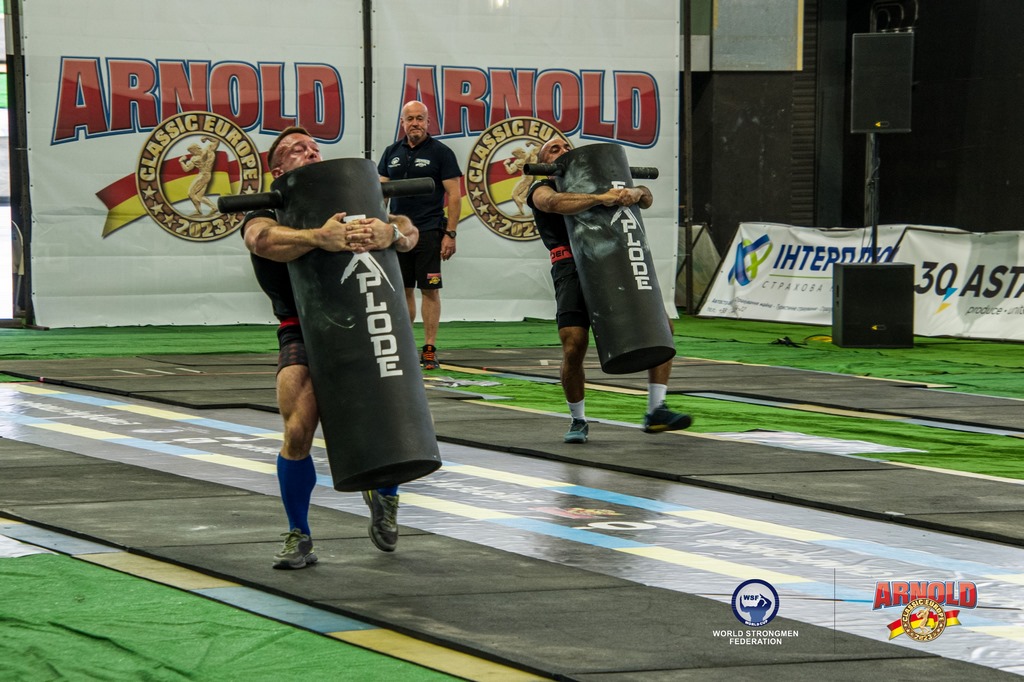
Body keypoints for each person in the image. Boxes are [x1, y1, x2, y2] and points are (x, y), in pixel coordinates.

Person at [242, 126, 420, 569]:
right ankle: (299, 534)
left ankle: (385, 495)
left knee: (390, 411)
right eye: (295, 150)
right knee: (298, 428)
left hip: (363, 320)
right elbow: (261, 240)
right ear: (277, 169)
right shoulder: (267, 211)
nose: (309, 152)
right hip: (302, 327)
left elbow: (407, 228)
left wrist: (391, 234)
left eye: (314, 148)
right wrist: (317, 238)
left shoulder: (352, 199)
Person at [526, 137, 693, 444]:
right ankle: (578, 419)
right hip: (571, 267)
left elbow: (646, 197)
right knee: (573, 343)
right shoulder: (541, 188)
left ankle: (656, 410)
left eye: (566, 147)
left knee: (661, 327)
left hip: (613, 261)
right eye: (553, 150)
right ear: (544, 164)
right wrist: (602, 198)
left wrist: (635, 192)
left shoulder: (601, 180)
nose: (563, 151)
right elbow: (554, 204)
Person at [377, 101, 463, 370]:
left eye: (420, 118)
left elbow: (455, 196)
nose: (415, 123)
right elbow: (380, 194)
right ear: (402, 122)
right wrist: (379, 229)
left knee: (429, 289)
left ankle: (429, 348)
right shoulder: (391, 153)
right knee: (403, 290)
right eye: (410, 118)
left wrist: (450, 234)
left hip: (429, 231)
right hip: (398, 235)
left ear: (428, 122)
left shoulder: (441, 153)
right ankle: (405, 347)